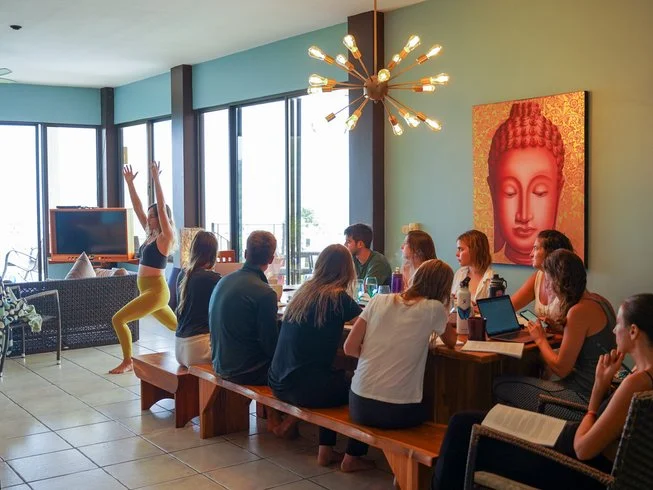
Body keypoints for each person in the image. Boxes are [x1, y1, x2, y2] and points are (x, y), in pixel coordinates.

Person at [432, 293, 653, 490]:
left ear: (633, 331)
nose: (614, 330)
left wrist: (598, 389)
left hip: (571, 466)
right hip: (565, 442)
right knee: (469, 423)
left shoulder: (635, 384)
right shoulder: (642, 375)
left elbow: (583, 449)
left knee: (463, 427)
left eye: (618, 324)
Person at [268, 244, 370, 472]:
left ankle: (326, 449)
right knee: (362, 386)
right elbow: (368, 324)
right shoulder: (338, 298)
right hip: (305, 388)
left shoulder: (303, 292)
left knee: (331, 373)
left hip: (278, 381)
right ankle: (352, 455)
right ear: (347, 270)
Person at [494, 250, 616, 419]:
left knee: (500, 384)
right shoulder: (600, 301)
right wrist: (560, 329)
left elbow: (561, 368)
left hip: (582, 399)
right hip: (601, 395)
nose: (546, 286)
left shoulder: (578, 311)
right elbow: (589, 340)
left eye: (548, 280)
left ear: (558, 281)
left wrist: (540, 339)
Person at [344, 259, 457, 430]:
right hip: (396, 410)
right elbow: (452, 341)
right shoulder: (434, 308)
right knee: (434, 410)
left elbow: (349, 347)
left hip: (358, 402)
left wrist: (377, 356)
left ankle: (354, 448)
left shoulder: (377, 300)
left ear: (416, 277)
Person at [110, 162, 177, 374]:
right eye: (149, 215)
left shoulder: (165, 237)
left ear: (162, 218)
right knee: (179, 327)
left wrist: (156, 179)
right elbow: (138, 207)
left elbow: (162, 207)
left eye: (152, 215)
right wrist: (129, 183)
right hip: (149, 291)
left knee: (118, 319)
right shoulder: (150, 235)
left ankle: (127, 361)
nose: (148, 218)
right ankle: (209, 343)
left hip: (156, 292)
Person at [487, 101, 566, 266]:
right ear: (494, 193)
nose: (523, 216)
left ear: (558, 192)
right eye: (509, 192)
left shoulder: (547, 276)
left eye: (540, 192)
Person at [209, 230, 278, 385]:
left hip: (219, 364)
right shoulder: (265, 293)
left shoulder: (223, 281)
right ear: (271, 259)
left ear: (246, 254)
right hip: (246, 371)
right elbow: (270, 346)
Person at [175, 231, 220, 367]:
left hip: (179, 348)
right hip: (199, 348)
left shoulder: (183, 275)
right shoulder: (212, 279)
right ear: (213, 254)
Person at [511, 229, 574, 325]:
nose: (531, 254)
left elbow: (574, 328)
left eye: (536, 248)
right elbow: (510, 306)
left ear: (551, 253)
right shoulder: (538, 276)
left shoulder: (569, 282)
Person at [451, 230, 494, 303]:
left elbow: (493, 308)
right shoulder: (459, 273)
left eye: (461, 249)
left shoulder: (491, 280)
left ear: (475, 250)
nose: (457, 254)